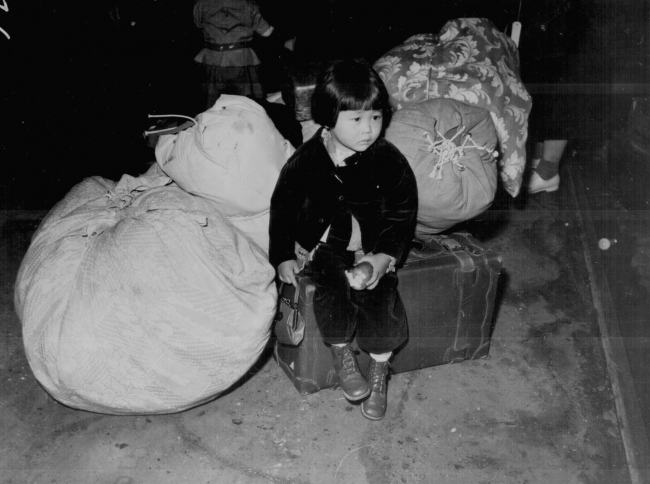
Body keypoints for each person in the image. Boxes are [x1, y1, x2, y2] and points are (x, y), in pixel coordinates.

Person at [269, 59, 418, 421]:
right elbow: (283, 206)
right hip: (326, 246)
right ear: (327, 117)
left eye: (376, 117)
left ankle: (380, 368)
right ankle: (341, 353)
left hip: (372, 247)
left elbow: (403, 210)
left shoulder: (388, 159)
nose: (369, 130)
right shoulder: (307, 159)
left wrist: (384, 256)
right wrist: (283, 255)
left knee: (381, 298)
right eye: (356, 119)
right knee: (331, 291)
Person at [193, 0, 274, 109]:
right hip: (241, 60)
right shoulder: (247, 2)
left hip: (212, 59)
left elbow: (198, 24)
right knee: (247, 106)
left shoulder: (201, 3)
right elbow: (266, 33)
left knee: (213, 107)